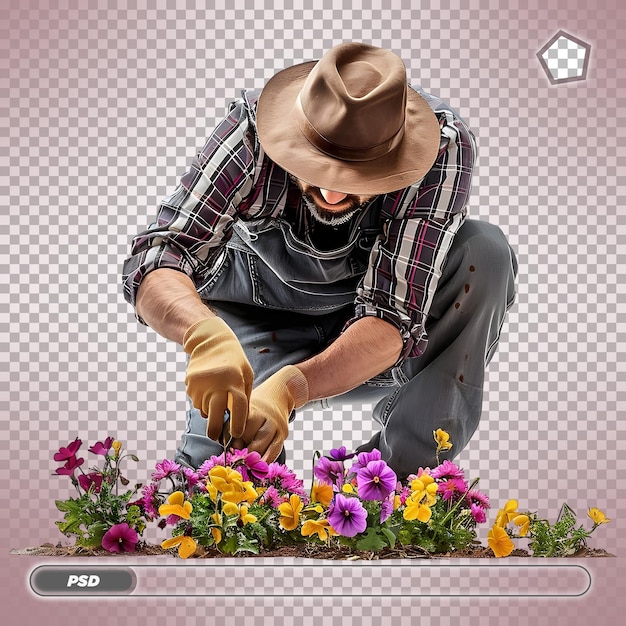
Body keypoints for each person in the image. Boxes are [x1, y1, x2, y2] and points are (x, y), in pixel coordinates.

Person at [122, 42, 517, 480]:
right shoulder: (251, 132)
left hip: (368, 341)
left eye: (358, 177)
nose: (331, 195)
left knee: (485, 252)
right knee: (217, 484)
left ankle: (399, 479)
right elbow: (160, 254)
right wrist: (204, 337)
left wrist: (295, 387)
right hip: (256, 326)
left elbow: (393, 314)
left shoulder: (442, 147)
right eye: (318, 168)